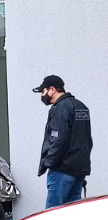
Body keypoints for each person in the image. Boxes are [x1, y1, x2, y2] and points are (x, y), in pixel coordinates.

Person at [33, 75, 93, 208]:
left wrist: (49, 163)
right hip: (79, 169)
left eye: (43, 91)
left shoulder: (61, 108)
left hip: (62, 169)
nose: (42, 96)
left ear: (52, 90)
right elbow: (86, 140)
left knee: (53, 214)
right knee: (72, 215)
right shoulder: (80, 106)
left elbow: (58, 140)